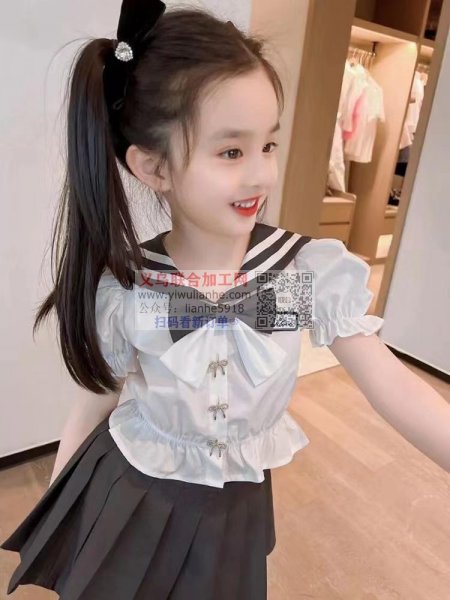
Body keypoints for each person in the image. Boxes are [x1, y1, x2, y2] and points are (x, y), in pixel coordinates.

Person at [2, 1, 450, 598]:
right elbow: (95, 402)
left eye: (269, 144)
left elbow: (391, 384)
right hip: (131, 495)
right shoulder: (132, 286)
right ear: (153, 168)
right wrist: (63, 517)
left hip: (235, 506)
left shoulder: (299, 273)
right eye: (232, 152)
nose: (261, 175)